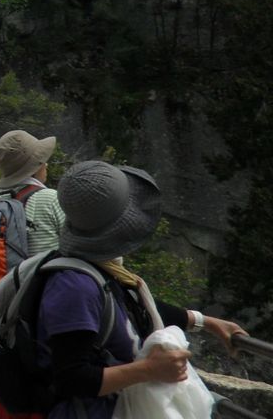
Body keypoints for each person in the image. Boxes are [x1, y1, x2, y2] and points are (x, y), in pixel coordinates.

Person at [27, 161, 248, 419]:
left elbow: (131, 310)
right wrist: (149, 370)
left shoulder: (99, 267)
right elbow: (71, 378)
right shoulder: (74, 286)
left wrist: (206, 322)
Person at [0, 129, 64, 256]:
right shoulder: (51, 199)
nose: (45, 164)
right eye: (41, 160)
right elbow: (78, 244)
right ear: (34, 167)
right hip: (41, 275)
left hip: (1, 275)